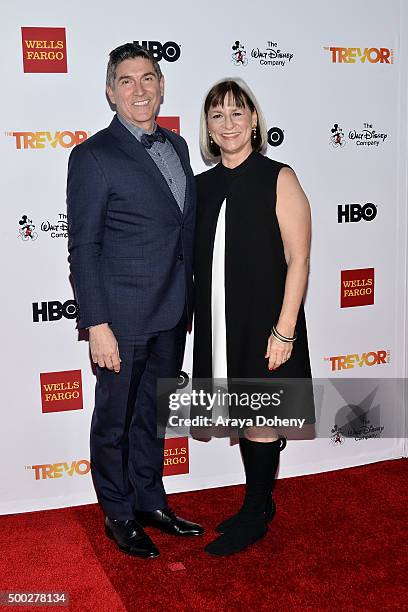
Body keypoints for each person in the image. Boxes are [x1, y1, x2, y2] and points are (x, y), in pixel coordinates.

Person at [67, 43, 203, 559]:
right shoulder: (92, 156)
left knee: (152, 415)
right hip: (121, 317)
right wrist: (96, 322)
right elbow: (85, 245)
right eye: (127, 81)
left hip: (172, 311)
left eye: (149, 78)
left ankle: (150, 501)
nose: (140, 89)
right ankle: (119, 513)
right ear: (110, 92)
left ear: (162, 86)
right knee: (115, 419)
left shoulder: (180, 147)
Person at [193, 77, 315, 556]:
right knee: (244, 412)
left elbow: (299, 259)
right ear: (208, 125)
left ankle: (256, 511)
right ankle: (257, 506)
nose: (228, 123)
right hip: (221, 320)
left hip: (268, 322)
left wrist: (284, 329)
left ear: (255, 119)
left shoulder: (279, 177)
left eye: (237, 113)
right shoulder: (201, 187)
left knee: (261, 415)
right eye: (217, 115)